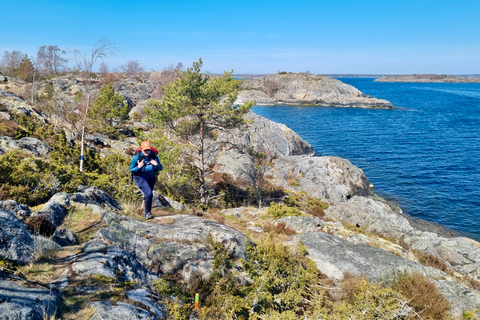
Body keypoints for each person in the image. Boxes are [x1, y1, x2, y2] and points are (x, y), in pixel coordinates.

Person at [130, 141, 162, 219]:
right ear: (141, 150)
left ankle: (146, 212)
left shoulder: (153, 156)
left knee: (148, 195)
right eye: (145, 150)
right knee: (149, 194)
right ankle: (148, 213)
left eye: (148, 150)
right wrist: (139, 166)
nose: (147, 151)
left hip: (151, 178)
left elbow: (161, 168)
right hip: (140, 178)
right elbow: (131, 169)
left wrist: (156, 164)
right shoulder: (137, 157)